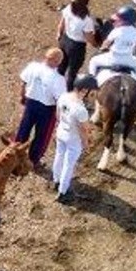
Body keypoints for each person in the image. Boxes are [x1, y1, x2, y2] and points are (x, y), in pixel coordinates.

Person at [15, 48, 65, 168]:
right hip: (46, 109)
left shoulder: (33, 66)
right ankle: (33, 159)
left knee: (24, 129)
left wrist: (22, 96)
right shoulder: (58, 79)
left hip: (30, 103)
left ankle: (16, 154)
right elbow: (60, 99)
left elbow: (24, 82)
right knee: (41, 136)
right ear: (56, 61)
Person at [50, 75, 94, 205]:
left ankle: (56, 180)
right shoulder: (81, 110)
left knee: (58, 156)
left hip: (61, 131)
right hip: (73, 138)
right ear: (85, 91)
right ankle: (63, 192)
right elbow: (84, 129)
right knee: (69, 165)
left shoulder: (63, 97)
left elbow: (57, 115)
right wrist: (86, 142)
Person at [87, 5, 136, 85]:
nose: (115, 21)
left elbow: (106, 43)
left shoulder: (117, 31)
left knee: (93, 61)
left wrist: (102, 48)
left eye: (118, 20)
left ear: (125, 21)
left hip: (113, 57)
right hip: (129, 59)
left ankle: (91, 83)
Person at [55, 0, 96, 86]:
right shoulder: (86, 20)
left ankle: (55, 86)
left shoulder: (68, 9)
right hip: (76, 47)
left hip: (65, 40)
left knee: (61, 66)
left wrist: (59, 34)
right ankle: (68, 91)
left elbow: (62, 23)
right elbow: (88, 37)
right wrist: (95, 44)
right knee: (72, 72)